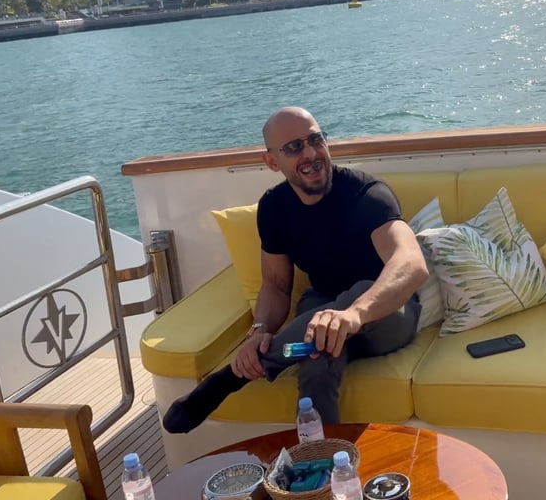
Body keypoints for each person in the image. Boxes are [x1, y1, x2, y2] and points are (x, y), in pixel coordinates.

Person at [162, 106, 428, 434]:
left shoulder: (366, 194)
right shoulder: (275, 208)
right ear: (272, 161)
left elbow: (411, 264)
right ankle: (320, 466)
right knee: (317, 356)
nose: (310, 153)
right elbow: (275, 285)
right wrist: (259, 331)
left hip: (385, 313)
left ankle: (229, 379)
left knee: (359, 290)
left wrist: (354, 314)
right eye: (293, 147)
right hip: (318, 316)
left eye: (316, 140)